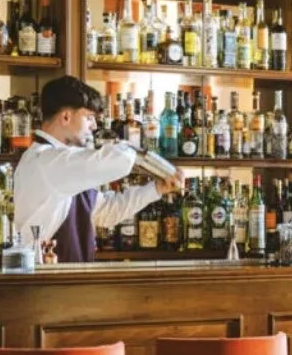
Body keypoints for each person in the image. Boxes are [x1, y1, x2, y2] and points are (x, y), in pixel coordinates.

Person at [14, 76, 182, 262]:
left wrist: (157, 188)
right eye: (88, 117)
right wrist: (136, 150)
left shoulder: (66, 163)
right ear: (66, 117)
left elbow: (107, 212)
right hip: (45, 280)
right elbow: (116, 160)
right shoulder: (46, 160)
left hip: (67, 279)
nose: (94, 126)